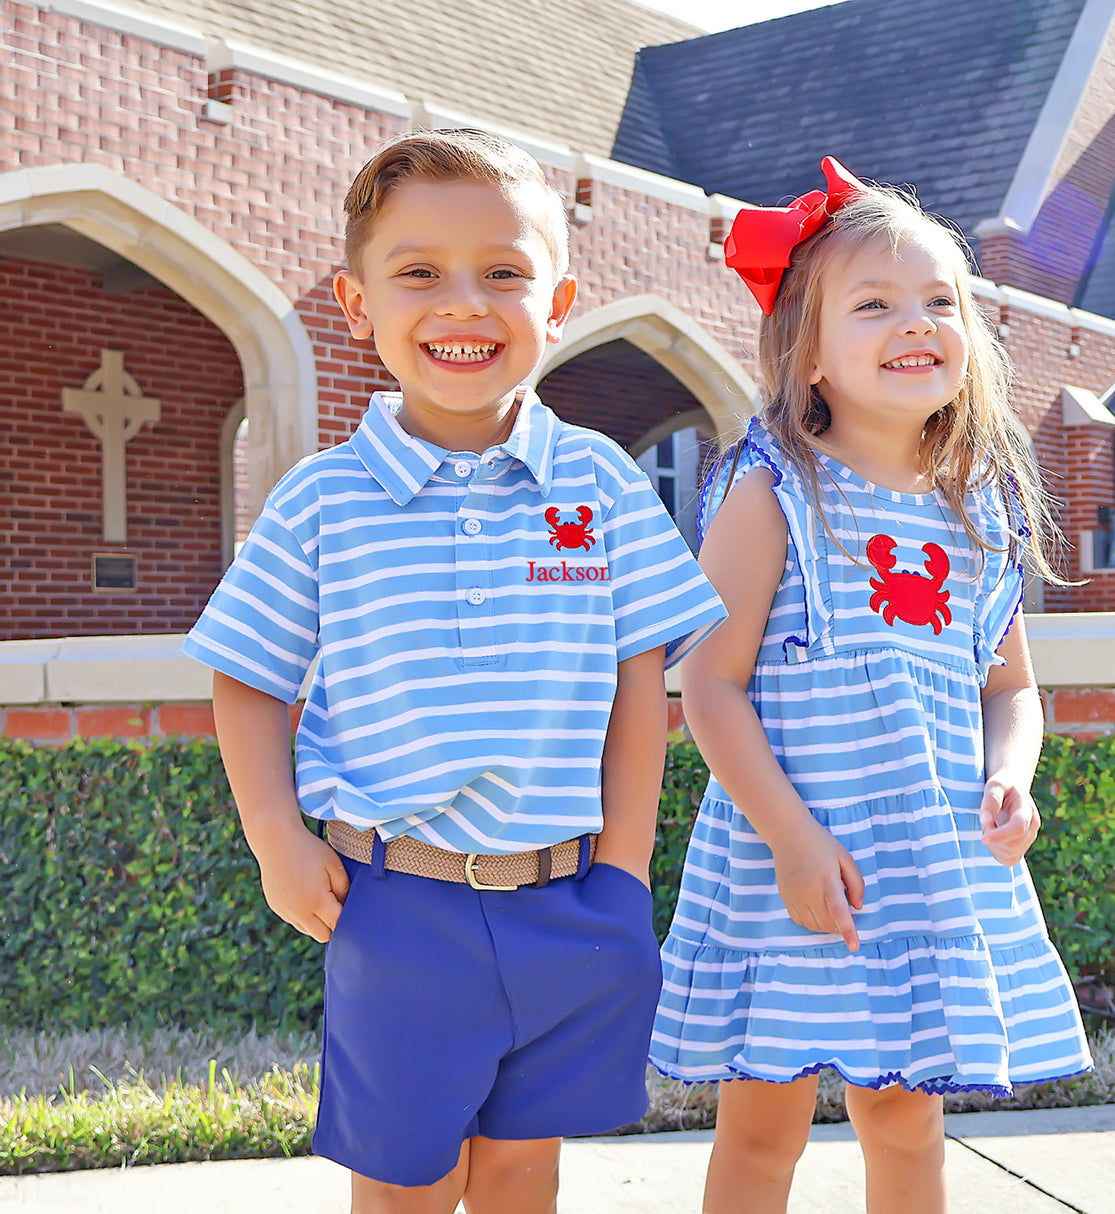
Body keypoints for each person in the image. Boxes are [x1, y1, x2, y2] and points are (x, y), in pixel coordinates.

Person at [183, 128, 726, 1214]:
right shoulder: (321, 501)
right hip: (397, 899)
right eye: (419, 273)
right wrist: (275, 841)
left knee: (524, 1166)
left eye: (504, 273)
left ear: (558, 301)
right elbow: (249, 678)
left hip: (568, 895)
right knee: (404, 1177)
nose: (463, 304)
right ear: (355, 303)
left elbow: (638, 689)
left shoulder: (602, 484)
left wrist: (620, 871)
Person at [649, 157, 1091, 1214]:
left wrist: (1010, 777)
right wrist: (795, 839)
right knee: (762, 1129)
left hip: (926, 865)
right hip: (790, 865)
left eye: (940, 300)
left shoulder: (978, 511)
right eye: (875, 302)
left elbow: (1009, 689)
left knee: (908, 1129)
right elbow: (708, 686)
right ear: (806, 351)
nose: (915, 322)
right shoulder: (773, 494)